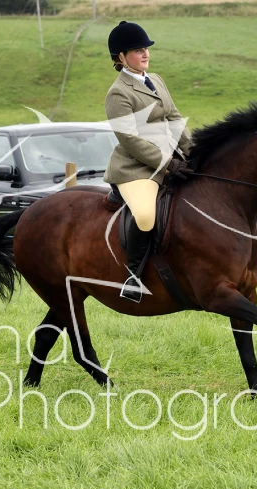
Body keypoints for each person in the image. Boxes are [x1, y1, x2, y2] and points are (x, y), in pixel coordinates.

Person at [104, 20, 193, 303]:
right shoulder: (118, 93)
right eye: (138, 50)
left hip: (169, 159)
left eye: (146, 49)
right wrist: (167, 164)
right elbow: (130, 140)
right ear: (121, 57)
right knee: (144, 215)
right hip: (135, 168)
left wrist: (193, 152)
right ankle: (133, 277)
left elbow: (175, 118)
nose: (145, 54)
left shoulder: (156, 79)